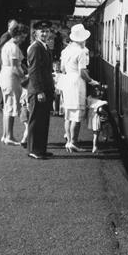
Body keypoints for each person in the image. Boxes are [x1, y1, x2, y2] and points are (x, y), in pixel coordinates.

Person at [60, 24, 99, 153]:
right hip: (77, 82)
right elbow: (82, 72)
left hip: (67, 81)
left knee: (68, 114)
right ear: (82, 39)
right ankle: (73, 142)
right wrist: (92, 81)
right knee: (76, 115)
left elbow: (62, 69)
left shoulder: (66, 51)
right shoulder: (81, 52)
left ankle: (68, 141)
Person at [26, 21, 56, 159]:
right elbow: (34, 71)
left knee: (43, 121)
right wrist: (39, 91)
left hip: (45, 90)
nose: (45, 33)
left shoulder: (44, 47)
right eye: (41, 31)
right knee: (36, 121)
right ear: (35, 33)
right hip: (38, 91)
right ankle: (33, 150)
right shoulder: (35, 48)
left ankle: (41, 149)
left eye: (47, 31)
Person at [0, 22, 29, 145]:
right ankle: (9, 136)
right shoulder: (13, 47)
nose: (24, 39)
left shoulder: (9, 45)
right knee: (10, 107)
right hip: (10, 77)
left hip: (6, 75)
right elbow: (16, 67)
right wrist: (25, 77)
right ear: (18, 34)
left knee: (7, 107)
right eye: (23, 36)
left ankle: (6, 135)